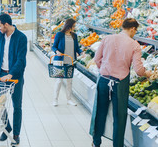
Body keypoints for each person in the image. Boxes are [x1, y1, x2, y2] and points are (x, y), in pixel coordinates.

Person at [90, 18, 152, 147]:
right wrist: (147, 73)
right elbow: (139, 70)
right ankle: (117, 145)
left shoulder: (107, 38)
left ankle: (96, 142)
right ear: (132, 29)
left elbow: (96, 59)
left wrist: (105, 69)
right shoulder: (134, 45)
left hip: (103, 80)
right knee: (119, 117)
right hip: (120, 84)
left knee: (100, 111)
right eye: (135, 31)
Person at [0, 13, 27, 145]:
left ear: (6, 25)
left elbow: (21, 60)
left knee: (16, 106)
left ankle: (16, 134)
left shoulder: (21, 38)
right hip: (1, 74)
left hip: (15, 77)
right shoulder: (0, 37)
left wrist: (11, 74)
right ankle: (7, 127)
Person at [51, 18, 82, 106]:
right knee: (59, 81)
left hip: (70, 61)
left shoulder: (74, 35)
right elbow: (53, 46)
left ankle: (69, 99)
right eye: (74, 26)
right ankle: (55, 100)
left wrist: (81, 52)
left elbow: (77, 48)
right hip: (60, 61)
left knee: (69, 81)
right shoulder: (59, 34)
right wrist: (57, 52)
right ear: (69, 26)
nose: (75, 28)